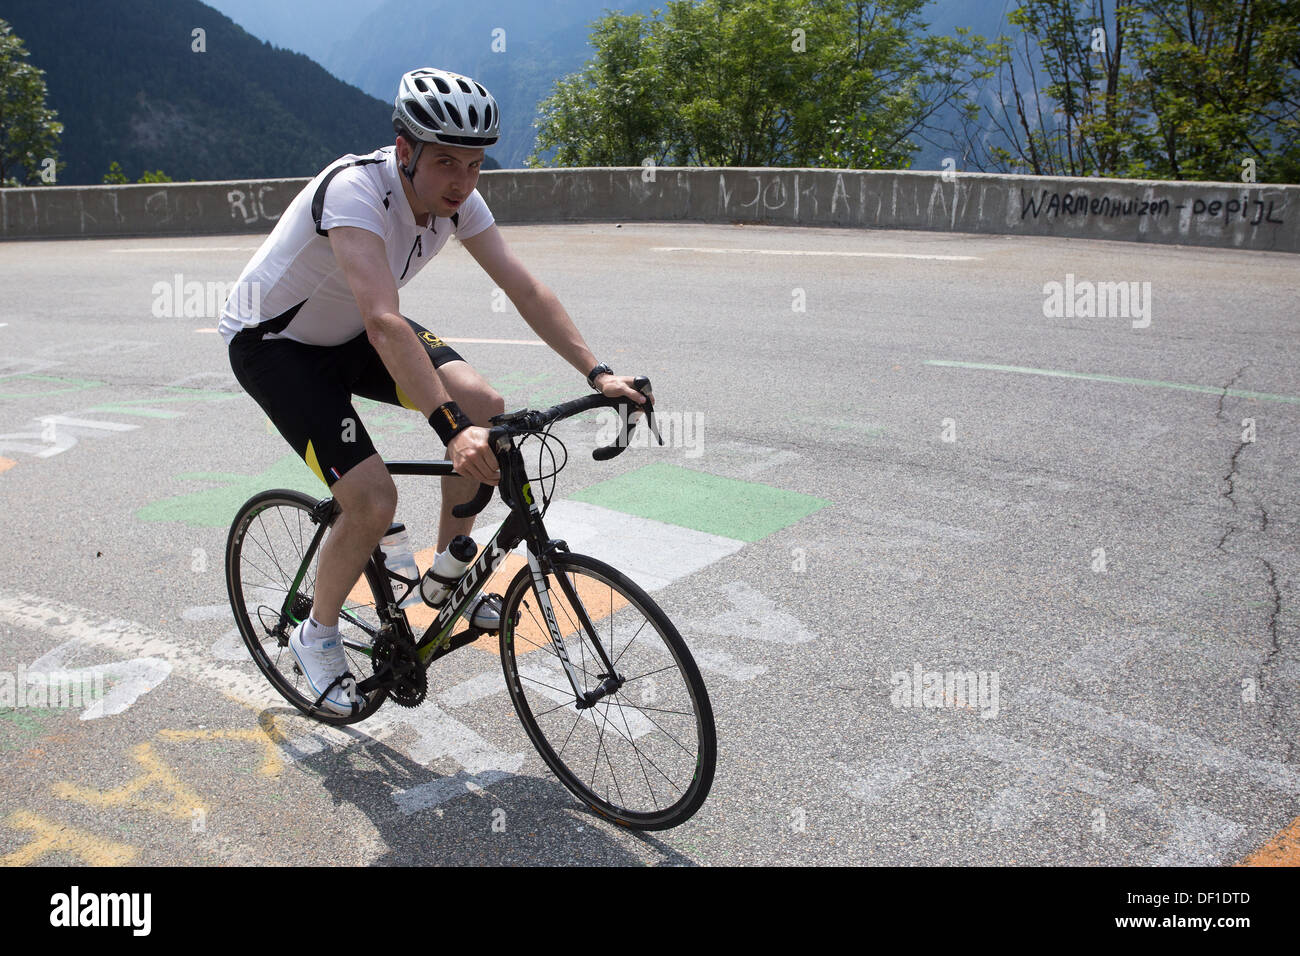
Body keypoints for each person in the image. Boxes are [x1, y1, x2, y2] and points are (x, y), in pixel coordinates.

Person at [219, 67, 647, 715]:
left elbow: (523, 287)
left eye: (474, 165)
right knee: (370, 496)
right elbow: (384, 321)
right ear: (404, 151)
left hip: (353, 332)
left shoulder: (461, 202)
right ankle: (318, 634)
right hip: (276, 346)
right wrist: (450, 430)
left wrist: (597, 373)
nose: (461, 181)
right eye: (446, 162)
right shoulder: (355, 193)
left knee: (487, 407)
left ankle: (449, 578)